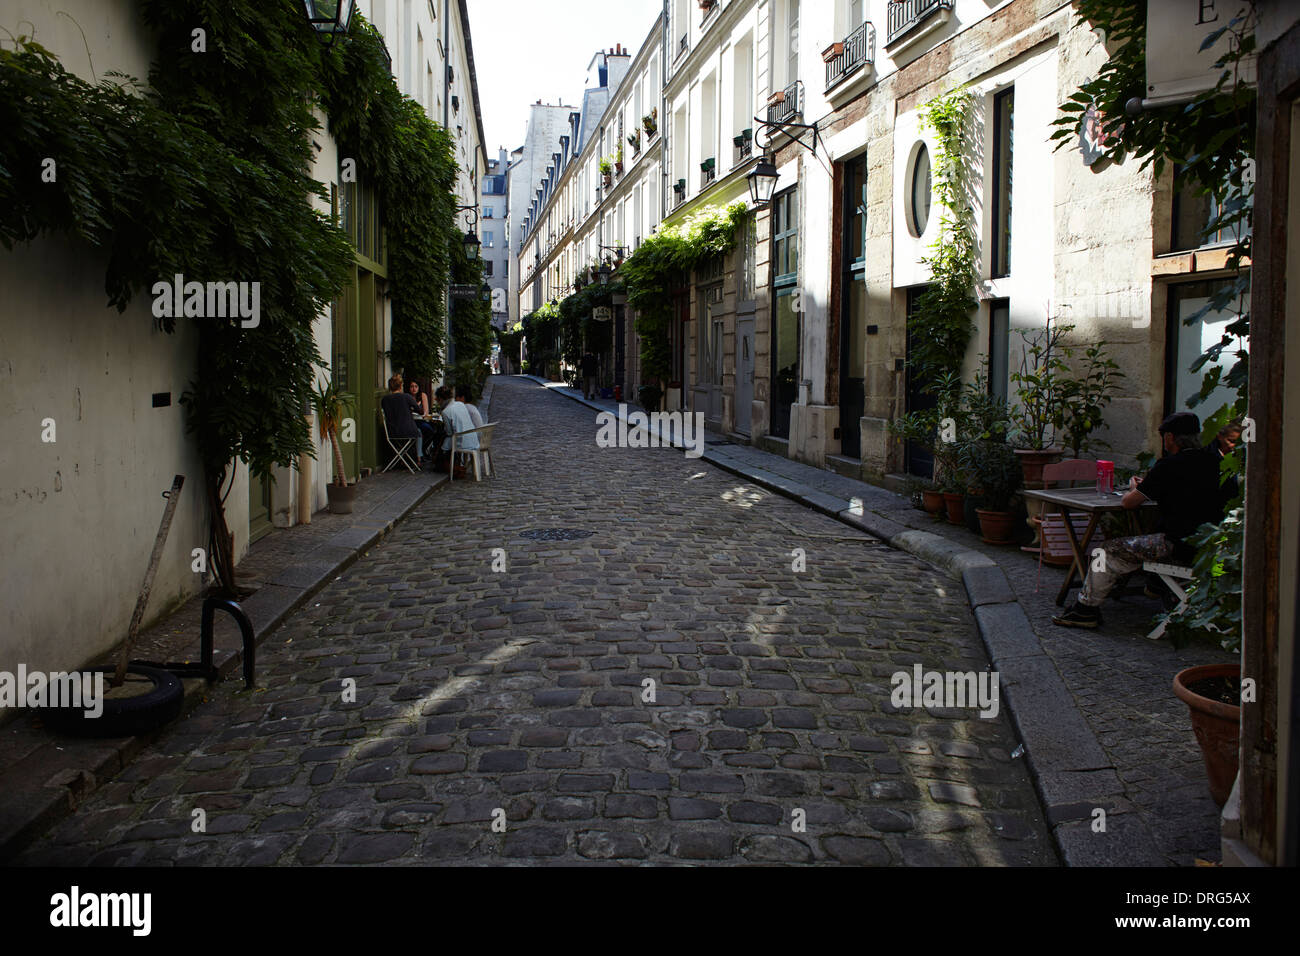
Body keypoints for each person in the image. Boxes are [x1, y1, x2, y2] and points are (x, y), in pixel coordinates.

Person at [1052, 411, 1236, 629]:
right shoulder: (1220, 463)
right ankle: (1156, 584)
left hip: (1178, 546)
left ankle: (1085, 610)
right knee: (1152, 537)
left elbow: (1129, 503)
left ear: (1169, 437)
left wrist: (1136, 487)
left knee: (1105, 551)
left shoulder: (1170, 465)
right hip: (1213, 548)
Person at [433, 385, 477, 475]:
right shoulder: (460, 404)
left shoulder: (446, 412)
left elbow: (449, 432)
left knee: (442, 443)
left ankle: (446, 465)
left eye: (437, 399)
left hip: (460, 440)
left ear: (441, 399)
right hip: (473, 438)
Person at [380, 374, 424, 464]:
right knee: (419, 431)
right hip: (408, 431)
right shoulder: (407, 397)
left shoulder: (385, 399)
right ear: (400, 386)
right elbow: (420, 411)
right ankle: (418, 458)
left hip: (391, 432)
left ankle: (402, 459)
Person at [407, 378, 438, 464]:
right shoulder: (407, 397)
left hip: (421, 420)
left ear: (419, 387)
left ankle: (424, 449)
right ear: (409, 388)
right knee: (420, 431)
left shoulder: (423, 395)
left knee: (430, 430)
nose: (414, 389)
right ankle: (419, 454)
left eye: (416, 386)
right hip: (412, 422)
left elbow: (426, 412)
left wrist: (422, 414)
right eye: (412, 386)